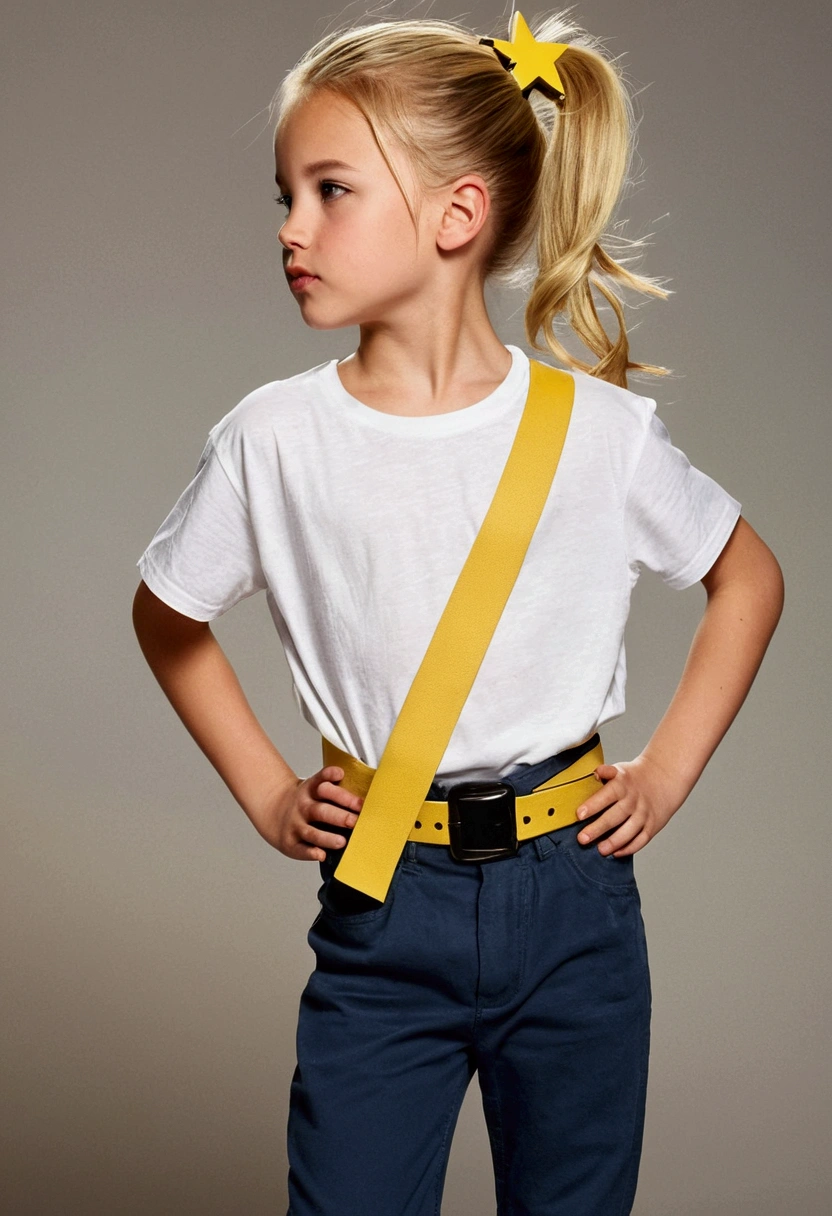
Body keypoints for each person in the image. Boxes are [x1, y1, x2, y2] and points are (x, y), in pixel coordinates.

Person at [132, 10, 784, 1215]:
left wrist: (670, 772)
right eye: (285, 193)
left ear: (457, 215)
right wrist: (270, 791)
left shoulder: (597, 434)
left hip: (574, 900)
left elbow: (747, 575)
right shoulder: (271, 439)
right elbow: (168, 613)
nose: (290, 228)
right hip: (386, 900)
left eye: (331, 191)